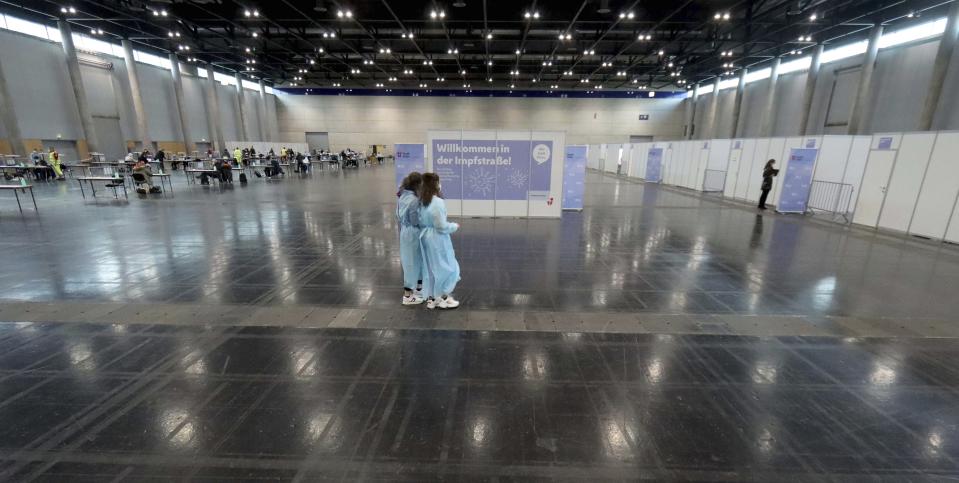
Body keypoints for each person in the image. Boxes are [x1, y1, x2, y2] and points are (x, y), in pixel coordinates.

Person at [418, 173, 461, 309]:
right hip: (436, 239)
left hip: (426, 236)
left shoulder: (422, 200)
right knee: (446, 266)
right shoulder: (437, 202)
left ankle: (435, 295)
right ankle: (442, 296)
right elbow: (441, 226)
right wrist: (454, 226)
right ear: (435, 184)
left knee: (432, 267)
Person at [397, 173, 426, 305]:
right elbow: (415, 220)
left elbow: (397, 215)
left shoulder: (403, 195)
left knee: (411, 260)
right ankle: (408, 295)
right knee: (414, 261)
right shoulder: (414, 200)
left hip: (405, 231)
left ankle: (418, 289)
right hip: (414, 232)